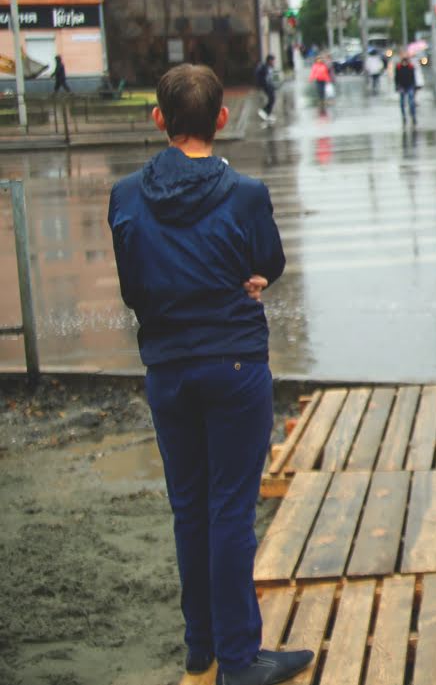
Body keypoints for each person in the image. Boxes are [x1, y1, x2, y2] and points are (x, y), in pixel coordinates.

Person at [106, 65, 313, 685]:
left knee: (189, 508)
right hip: (234, 365)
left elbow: (133, 289)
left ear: (159, 119)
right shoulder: (244, 193)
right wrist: (247, 277)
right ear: (222, 119)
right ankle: (240, 659)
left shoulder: (126, 195)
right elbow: (269, 261)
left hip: (168, 369)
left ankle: (202, 646)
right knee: (230, 510)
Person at [394, 52, 417, 124]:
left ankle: (413, 116)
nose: (404, 62)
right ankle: (404, 116)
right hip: (402, 86)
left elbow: (413, 77)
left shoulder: (411, 67)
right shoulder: (398, 67)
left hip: (410, 86)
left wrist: (414, 86)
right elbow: (396, 77)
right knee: (402, 103)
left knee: (411, 103)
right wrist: (397, 86)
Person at [254, 55, 277, 122]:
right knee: (272, 99)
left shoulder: (270, 67)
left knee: (272, 99)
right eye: (272, 60)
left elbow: (273, 75)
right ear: (269, 60)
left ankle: (266, 113)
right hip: (266, 86)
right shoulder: (264, 67)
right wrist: (261, 85)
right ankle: (264, 112)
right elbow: (259, 76)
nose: (274, 62)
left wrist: (275, 84)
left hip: (270, 85)